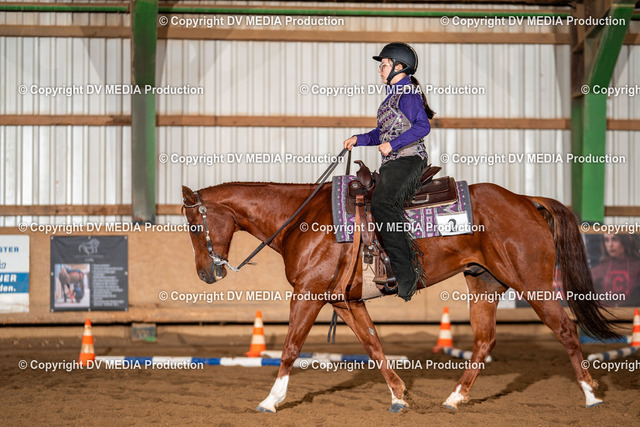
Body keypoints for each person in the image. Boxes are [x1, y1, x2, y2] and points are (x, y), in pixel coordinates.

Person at [343, 42, 435, 301]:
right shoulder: (392, 97)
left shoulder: (408, 94)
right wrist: (358, 139)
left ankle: (406, 275)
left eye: (384, 65)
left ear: (399, 67)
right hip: (394, 161)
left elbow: (423, 127)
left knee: (383, 204)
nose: (380, 70)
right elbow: (380, 134)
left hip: (409, 159)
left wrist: (392, 145)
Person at [591, 233, 640, 307]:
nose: (610, 245)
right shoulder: (598, 270)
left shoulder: (637, 266)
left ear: (625, 241)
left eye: (615, 239)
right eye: (606, 240)